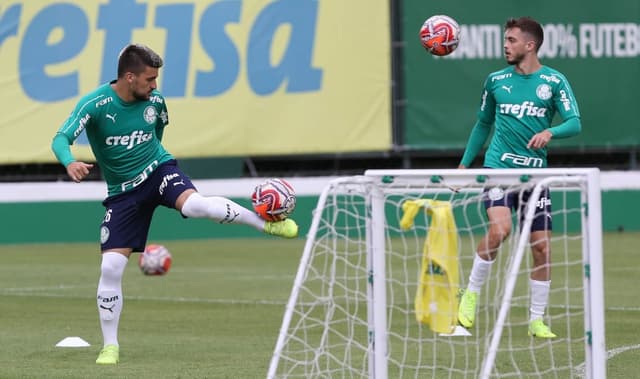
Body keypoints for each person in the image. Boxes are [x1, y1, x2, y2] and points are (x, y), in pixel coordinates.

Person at [51, 44, 299, 364]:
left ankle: (264, 222)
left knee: (196, 206)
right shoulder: (95, 104)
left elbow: (157, 133)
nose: (155, 85)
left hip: (159, 171)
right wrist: (69, 161)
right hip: (124, 194)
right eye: (149, 78)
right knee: (110, 267)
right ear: (129, 77)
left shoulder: (155, 101)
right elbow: (60, 138)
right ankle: (110, 345)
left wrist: (155, 163)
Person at [457, 17, 581, 338]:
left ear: (530, 45)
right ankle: (469, 296)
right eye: (505, 39)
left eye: (511, 40)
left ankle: (536, 319)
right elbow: (483, 124)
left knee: (541, 248)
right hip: (498, 168)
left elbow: (574, 122)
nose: (505, 45)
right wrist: (464, 164)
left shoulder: (554, 82)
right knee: (500, 230)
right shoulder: (496, 80)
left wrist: (550, 131)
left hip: (535, 177)